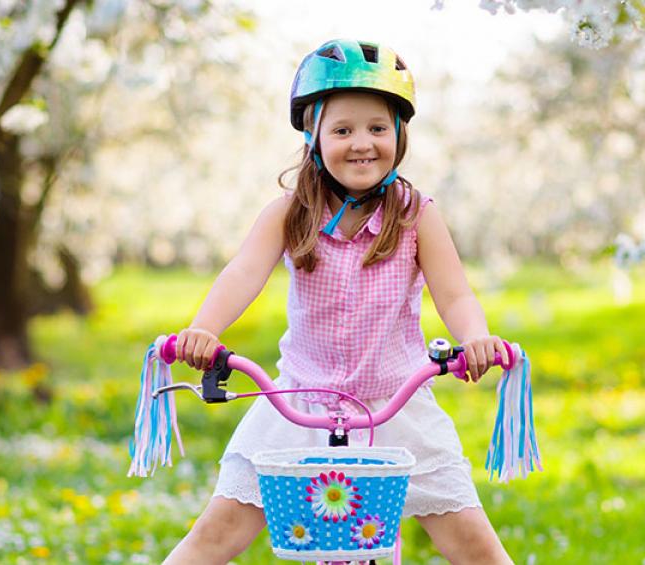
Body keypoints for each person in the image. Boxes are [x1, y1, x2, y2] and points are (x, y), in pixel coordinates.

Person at [160, 39, 514, 564]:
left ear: (399, 133)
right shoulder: (288, 212)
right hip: (300, 402)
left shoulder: (416, 215)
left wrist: (476, 338)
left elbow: (455, 292)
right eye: (342, 130)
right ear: (313, 136)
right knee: (217, 535)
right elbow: (242, 275)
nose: (361, 143)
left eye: (377, 127)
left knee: (474, 545)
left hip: (396, 406)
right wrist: (203, 329)